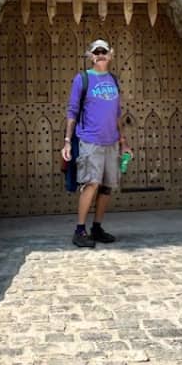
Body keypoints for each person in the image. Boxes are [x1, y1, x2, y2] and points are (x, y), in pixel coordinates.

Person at [62, 39, 128, 248]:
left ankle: (97, 227)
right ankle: (80, 230)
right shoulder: (82, 79)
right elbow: (72, 111)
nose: (100, 54)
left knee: (107, 187)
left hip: (111, 142)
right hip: (90, 140)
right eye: (96, 51)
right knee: (91, 184)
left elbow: (117, 114)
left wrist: (123, 141)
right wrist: (66, 141)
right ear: (90, 56)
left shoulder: (114, 80)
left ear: (111, 54)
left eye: (104, 51)